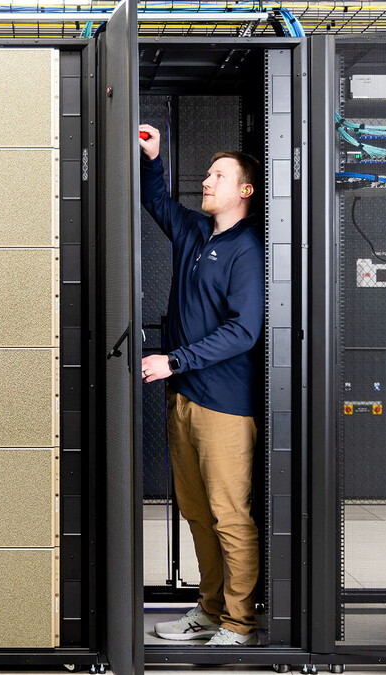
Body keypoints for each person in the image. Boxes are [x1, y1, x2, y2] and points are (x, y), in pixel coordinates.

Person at [137, 124, 265, 647]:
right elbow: (155, 200)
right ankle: (210, 611)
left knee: (229, 516)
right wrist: (153, 158)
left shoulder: (247, 249)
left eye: (219, 176)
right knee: (194, 512)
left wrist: (174, 360)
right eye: (208, 174)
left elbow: (244, 330)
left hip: (225, 406)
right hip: (184, 398)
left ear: (245, 190)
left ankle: (238, 622)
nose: (207, 182)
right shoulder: (194, 232)